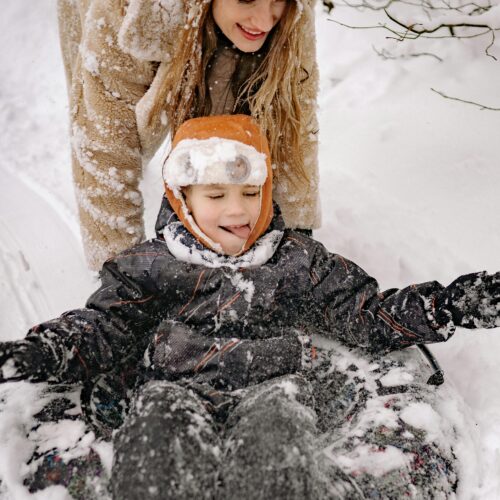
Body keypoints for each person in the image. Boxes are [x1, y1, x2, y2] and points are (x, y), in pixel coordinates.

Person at [0, 115, 498, 499]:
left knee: (277, 443)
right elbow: (104, 327)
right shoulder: (146, 266)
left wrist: (453, 304)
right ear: (182, 199)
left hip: (271, 385)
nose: (237, 211)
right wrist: (40, 352)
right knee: (155, 440)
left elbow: (366, 316)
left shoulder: (295, 259)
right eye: (216, 194)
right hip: (171, 387)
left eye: (251, 193)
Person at [57, 0, 320, 270]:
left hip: (208, 24)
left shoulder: (293, 13)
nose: (265, 20)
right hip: (122, 17)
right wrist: (122, 271)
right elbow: (104, 147)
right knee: (92, 100)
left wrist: (297, 238)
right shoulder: (122, 10)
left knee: (225, 107)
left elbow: (294, 128)